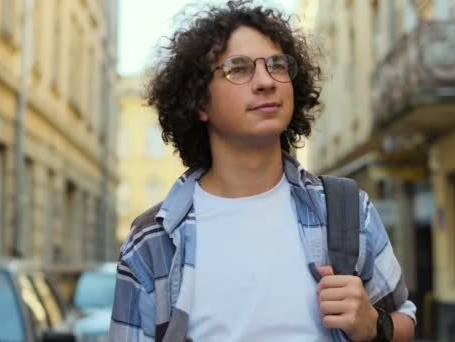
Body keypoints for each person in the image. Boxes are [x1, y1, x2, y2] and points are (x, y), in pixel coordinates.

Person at [109, 1, 416, 341]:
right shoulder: (153, 240)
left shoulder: (346, 210)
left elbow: (405, 321)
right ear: (199, 102)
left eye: (277, 65)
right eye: (238, 69)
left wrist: (375, 325)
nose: (265, 81)